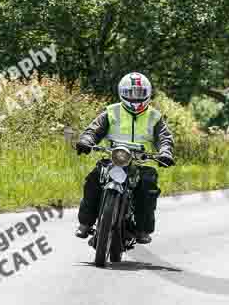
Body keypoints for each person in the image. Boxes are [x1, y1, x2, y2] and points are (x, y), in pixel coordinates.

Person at [74, 72, 175, 244]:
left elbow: (164, 138)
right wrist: (86, 141)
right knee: (92, 181)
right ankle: (85, 223)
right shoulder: (111, 111)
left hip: (139, 162)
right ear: (122, 92)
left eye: (139, 93)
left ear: (148, 93)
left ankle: (142, 229)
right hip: (113, 159)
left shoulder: (154, 116)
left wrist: (165, 152)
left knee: (147, 186)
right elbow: (94, 130)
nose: (135, 97)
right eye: (131, 92)